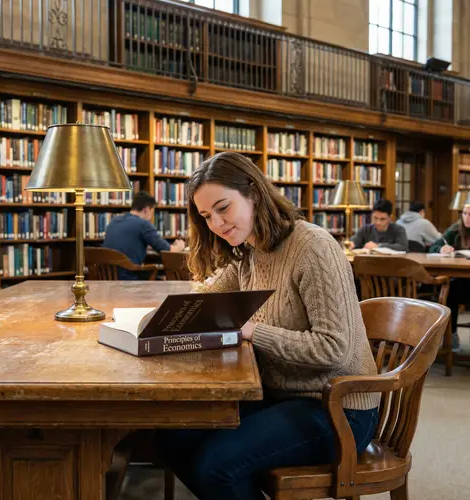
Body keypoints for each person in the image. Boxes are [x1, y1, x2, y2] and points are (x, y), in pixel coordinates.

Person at [156, 152, 379, 500]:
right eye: (205, 216)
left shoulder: (314, 247)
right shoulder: (248, 250)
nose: (215, 223)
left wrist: (250, 331)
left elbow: (334, 349)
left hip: (337, 407)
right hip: (279, 395)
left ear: (254, 193)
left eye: (223, 207)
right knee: (169, 437)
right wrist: (159, 319)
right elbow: (209, 301)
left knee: (216, 466)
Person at [103, 191, 185, 279]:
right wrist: (180, 246)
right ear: (146, 209)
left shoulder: (114, 221)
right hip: (129, 279)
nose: (151, 215)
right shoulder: (143, 225)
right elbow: (168, 250)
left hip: (107, 277)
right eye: (152, 211)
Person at [429, 206, 470, 352]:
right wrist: (441, 249)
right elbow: (434, 247)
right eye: (464, 213)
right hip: (460, 281)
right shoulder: (455, 229)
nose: (467, 217)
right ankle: (452, 337)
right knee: (450, 292)